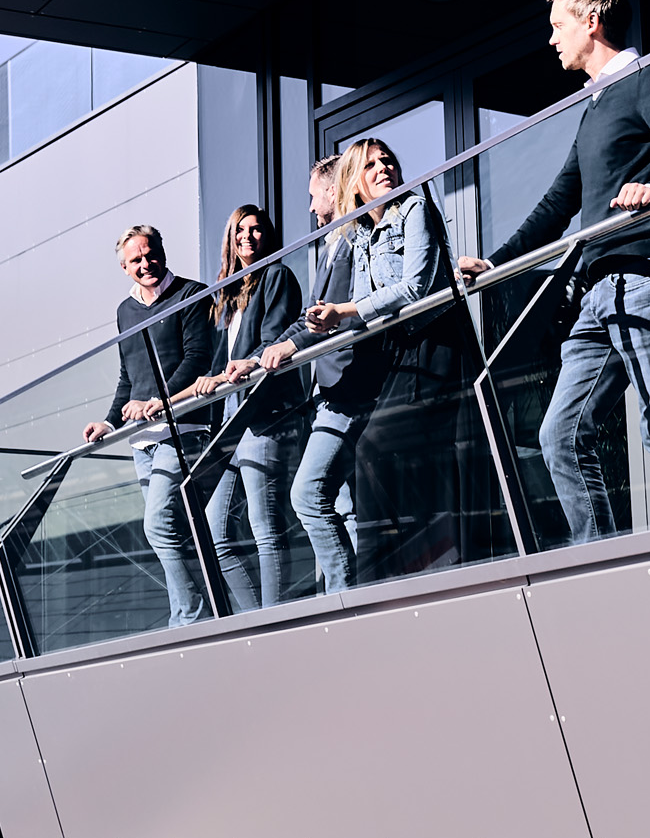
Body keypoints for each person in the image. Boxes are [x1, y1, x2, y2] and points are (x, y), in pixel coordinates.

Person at [460, 0, 650, 540]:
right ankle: (598, 560)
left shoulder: (647, 79)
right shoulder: (595, 107)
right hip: (598, 288)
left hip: (649, 272)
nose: (552, 39)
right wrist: (497, 263)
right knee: (559, 435)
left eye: (559, 26)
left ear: (592, 21)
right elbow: (559, 201)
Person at [254, 138, 447, 587]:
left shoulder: (403, 214)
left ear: (335, 187)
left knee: (317, 494)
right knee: (346, 502)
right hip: (371, 372)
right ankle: (355, 593)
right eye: (371, 164)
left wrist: (332, 318)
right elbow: (343, 308)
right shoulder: (357, 237)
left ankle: (350, 597)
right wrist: (261, 357)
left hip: (380, 372)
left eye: (313, 196)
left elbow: (405, 289)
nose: (309, 207)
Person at [81, 226, 216, 626]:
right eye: (135, 260)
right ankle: (185, 615)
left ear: (162, 251)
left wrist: (159, 400)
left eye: (150, 254)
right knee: (167, 529)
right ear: (124, 268)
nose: (146, 264)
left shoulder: (191, 294)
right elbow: (129, 376)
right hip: (141, 440)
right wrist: (110, 422)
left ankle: (192, 617)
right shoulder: (125, 311)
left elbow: (198, 357)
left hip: (182, 427)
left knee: (157, 525)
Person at [185, 205, 304, 610]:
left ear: (266, 236)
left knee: (264, 525)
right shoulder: (230, 293)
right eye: (240, 230)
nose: (247, 237)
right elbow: (222, 359)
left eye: (255, 230)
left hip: (264, 416)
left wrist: (244, 365)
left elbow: (274, 339)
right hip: (232, 422)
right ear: (230, 239)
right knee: (214, 531)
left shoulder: (277, 276)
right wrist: (211, 379)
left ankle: (276, 621)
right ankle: (256, 617)